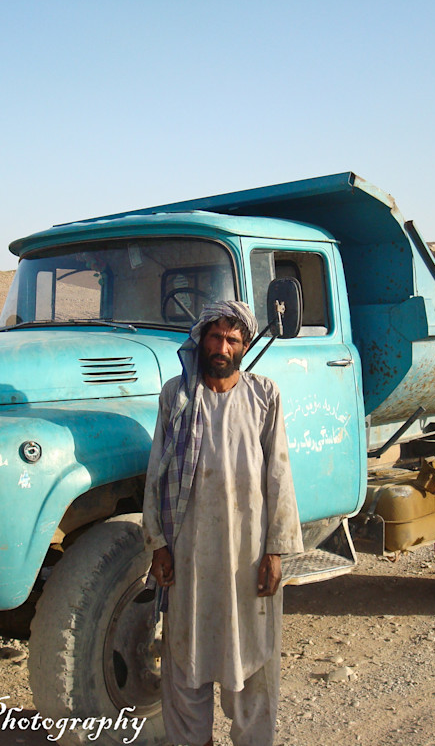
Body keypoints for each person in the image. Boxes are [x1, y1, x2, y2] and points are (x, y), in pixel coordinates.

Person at [143, 300, 304, 746]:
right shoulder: (176, 395)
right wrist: (157, 543)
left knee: (252, 662)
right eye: (215, 336)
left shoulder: (263, 395)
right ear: (200, 340)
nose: (222, 346)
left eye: (232, 339)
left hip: (247, 557)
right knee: (185, 662)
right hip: (189, 557)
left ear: (244, 346)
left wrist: (275, 551)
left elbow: (279, 474)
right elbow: (157, 470)